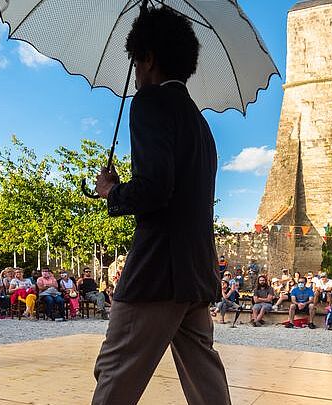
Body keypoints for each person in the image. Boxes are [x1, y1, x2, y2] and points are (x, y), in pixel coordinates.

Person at [90, 8, 229, 404]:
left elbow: (155, 189)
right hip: (196, 271)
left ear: (148, 58)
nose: (134, 73)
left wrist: (111, 192)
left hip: (157, 272)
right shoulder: (199, 123)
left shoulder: (149, 102)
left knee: (114, 370)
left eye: (135, 61)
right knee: (204, 378)